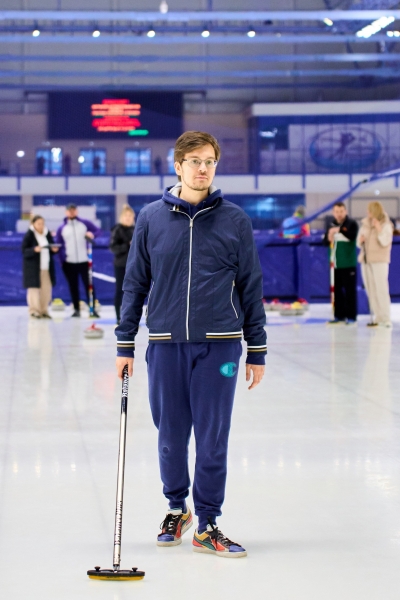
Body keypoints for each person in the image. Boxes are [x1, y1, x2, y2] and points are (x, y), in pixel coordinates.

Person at [115, 131, 266, 558]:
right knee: (170, 435)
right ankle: (176, 507)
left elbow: (251, 285)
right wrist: (125, 343)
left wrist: (257, 348)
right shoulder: (151, 218)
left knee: (213, 435)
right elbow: (135, 282)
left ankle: (208, 522)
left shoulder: (235, 219)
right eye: (195, 161)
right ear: (178, 165)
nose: (203, 168)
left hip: (220, 346)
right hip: (165, 344)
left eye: (210, 161)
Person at [56, 203, 101, 317]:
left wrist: (92, 234)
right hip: (69, 262)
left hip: (84, 261)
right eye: (69, 210)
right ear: (66, 212)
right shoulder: (62, 228)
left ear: (76, 211)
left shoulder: (84, 223)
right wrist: (62, 261)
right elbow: (59, 245)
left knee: (89, 285)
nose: (71, 212)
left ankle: (92, 308)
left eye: (73, 210)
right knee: (73, 286)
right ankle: (76, 309)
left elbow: (98, 231)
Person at [357, 201, 393, 328]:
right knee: (371, 289)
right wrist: (360, 241)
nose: (367, 213)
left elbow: (385, 241)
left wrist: (378, 229)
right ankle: (377, 316)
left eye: (370, 210)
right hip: (366, 260)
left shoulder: (386, 225)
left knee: (381, 289)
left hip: (380, 260)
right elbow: (358, 243)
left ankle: (386, 317)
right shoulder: (365, 225)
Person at [325, 201, 358, 324]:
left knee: (350, 291)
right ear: (333, 213)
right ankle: (339, 315)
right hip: (335, 264)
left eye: (341, 211)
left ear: (345, 211)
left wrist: (339, 230)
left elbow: (352, 236)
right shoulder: (330, 225)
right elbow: (325, 242)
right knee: (337, 291)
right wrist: (329, 236)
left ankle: (351, 316)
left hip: (348, 264)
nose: (339, 214)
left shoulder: (351, 223)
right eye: (336, 212)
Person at [22, 215, 58, 318]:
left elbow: (51, 246)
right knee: (33, 290)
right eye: (38, 224)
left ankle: (44, 310)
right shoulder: (29, 235)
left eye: (42, 223)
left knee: (46, 290)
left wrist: (54, 250)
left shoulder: (47, 234)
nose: (41, 226)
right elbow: (24, 251)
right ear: (33, 224)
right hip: (33, 268)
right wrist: (34, 250)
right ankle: (34, 310)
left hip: (46, 267)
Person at [109, 204, 135, 324]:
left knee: (133, 292)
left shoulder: (136, 230)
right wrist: (127, 245)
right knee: (120, 290)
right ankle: (118, 317)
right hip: (121, 265)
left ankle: (131, 318)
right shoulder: (117, 230)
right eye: (126, 216)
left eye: (130, 216)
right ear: (122, 217)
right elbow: (113, 248)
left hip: (134, 266)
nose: (128, 218)